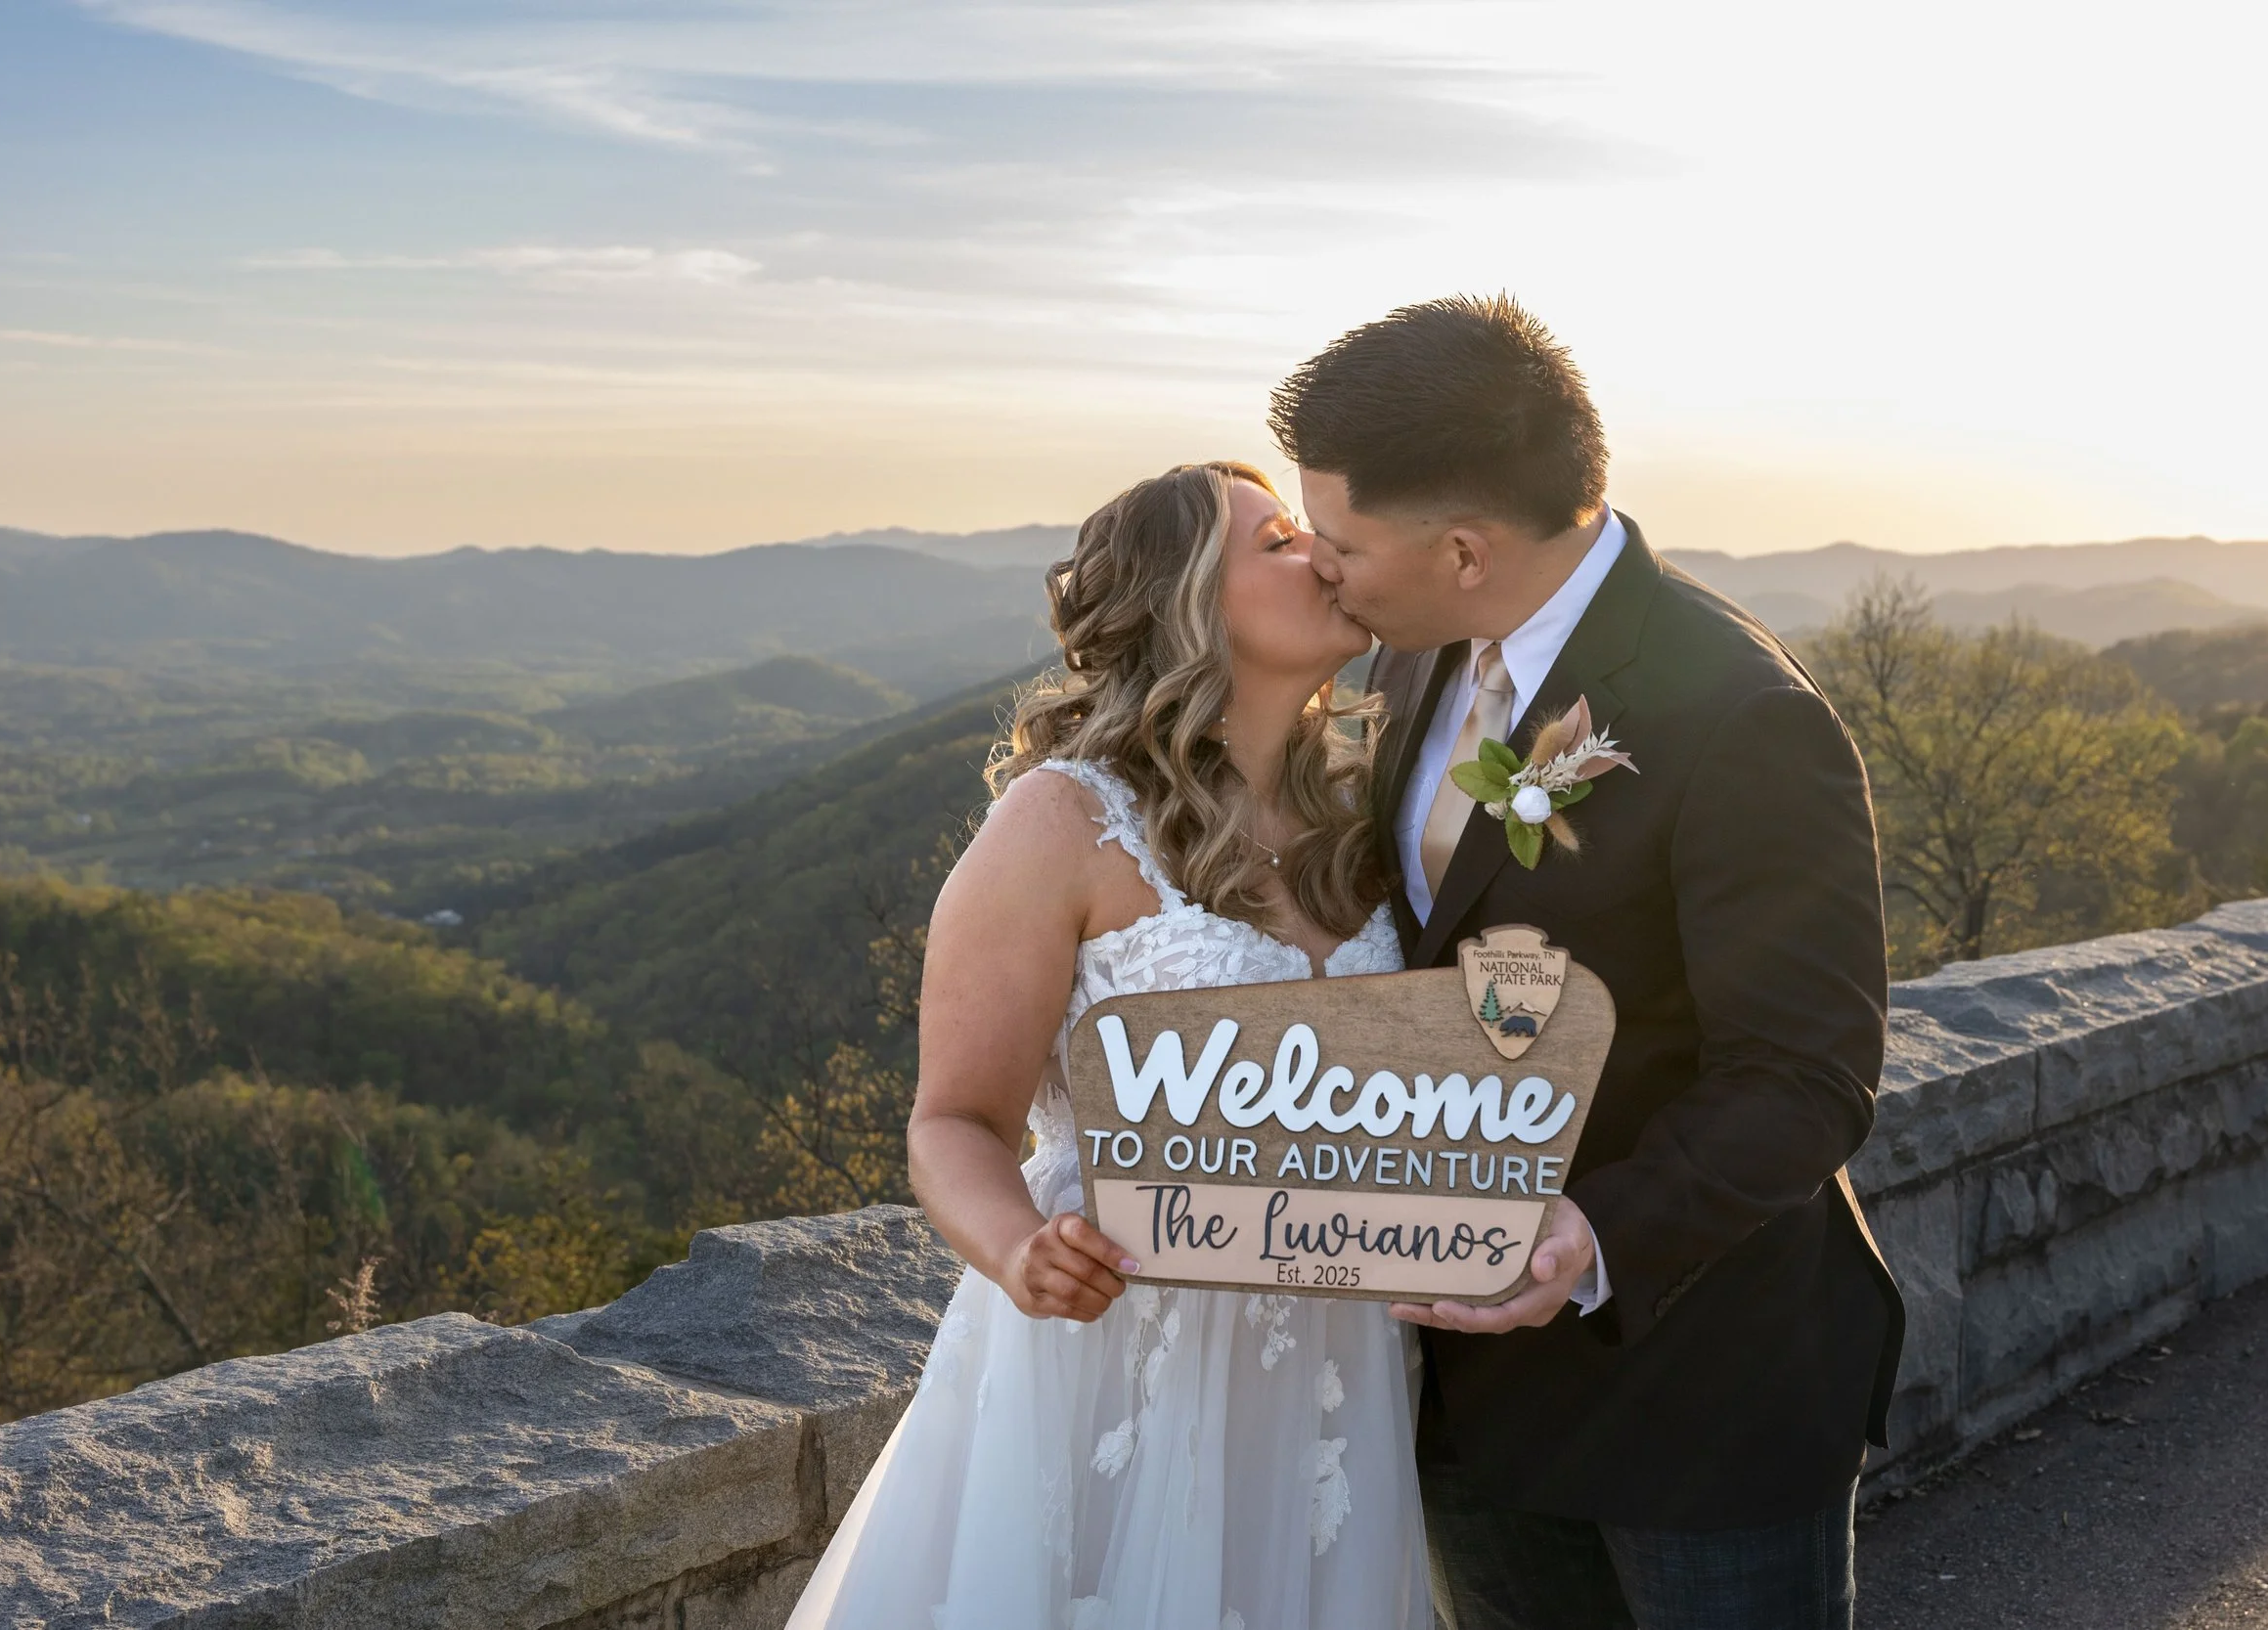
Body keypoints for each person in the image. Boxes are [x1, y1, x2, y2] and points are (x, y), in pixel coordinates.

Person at [1274, 295, 1906, 1630]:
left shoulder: (1741, 714)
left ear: (1461, 548)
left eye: (1337, 539)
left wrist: (1589, 1234)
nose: (1321, 566)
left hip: (1697, 1385)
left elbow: (1805, 1075)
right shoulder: (1408, 661)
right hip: (1464, 1393)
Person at [786, 462, 1438, 1630]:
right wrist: (1019, 1248)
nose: (1325, 554)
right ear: (1190, 602)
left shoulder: (1365, 816)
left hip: (1331, 1357)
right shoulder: (1063, 821)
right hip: (1123, 1335)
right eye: (1280, 540)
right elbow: (953, 1121)